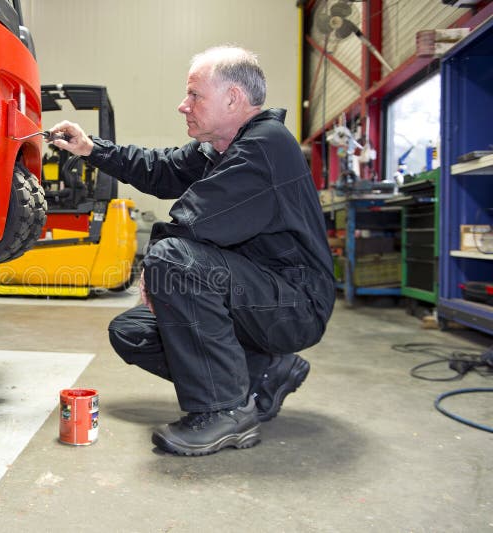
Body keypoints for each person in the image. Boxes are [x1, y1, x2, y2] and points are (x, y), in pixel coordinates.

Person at [50, 45, 335, 456]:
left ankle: (223, 413)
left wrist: (152, 265)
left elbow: (193, 220)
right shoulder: (218, 149)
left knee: (171, 259)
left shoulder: (265, 147)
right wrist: (92, 149)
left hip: (294, 304)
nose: (183, 106)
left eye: (194, 95)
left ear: (233, 98)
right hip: (252, 295)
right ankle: (268, 370)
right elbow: (159, 168)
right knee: (131, 332)